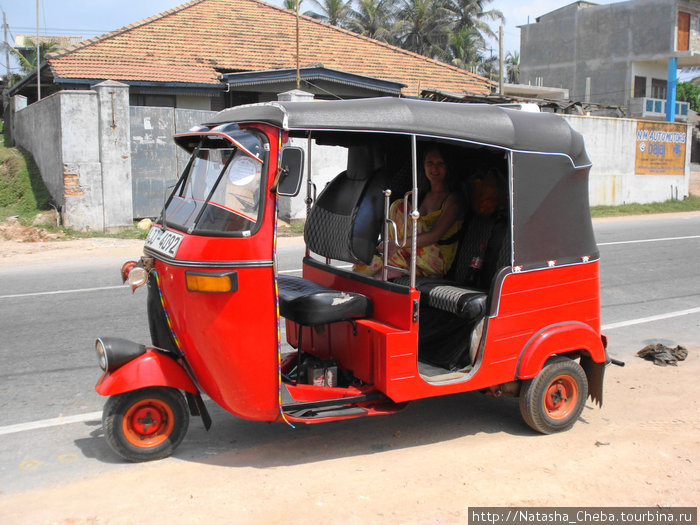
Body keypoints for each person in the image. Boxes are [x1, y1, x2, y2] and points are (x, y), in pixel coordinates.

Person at [354, 147, 464, 278]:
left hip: (436, 259)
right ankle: (393, 263)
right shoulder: (421, 195)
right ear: (423, 166)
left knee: (400, 206)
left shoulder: (454, 199)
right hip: (408, 252)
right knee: (362, 269)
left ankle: (394, 259)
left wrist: (398, 243)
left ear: (448, 167)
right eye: (430, 163)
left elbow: (435, 235)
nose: (435, 168)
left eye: (440, 163)